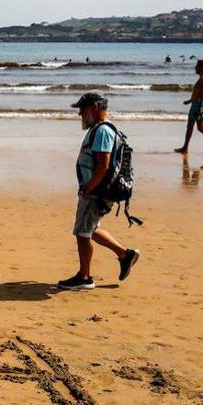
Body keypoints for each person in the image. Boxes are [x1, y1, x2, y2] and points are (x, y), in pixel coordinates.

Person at [58, 92, 140, 291]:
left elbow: (103, 165)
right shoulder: (102, 129)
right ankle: (124, 254)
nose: (79, 114)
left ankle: (84, 277)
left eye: (82, 109)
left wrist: (88, 188)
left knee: (83, 233)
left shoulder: (103, 131)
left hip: (95, 192)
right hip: (98, 190)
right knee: (91, 229)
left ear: (94, 107)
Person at [174, 59, 203, 154]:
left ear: (202, 68)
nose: (195, 68)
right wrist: (190, 101)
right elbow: (198, 93)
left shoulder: (202, 79)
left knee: (190, 127)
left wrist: (198, 107)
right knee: (200, 128)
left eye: (197, 66)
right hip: (200, 103)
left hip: (198, 105)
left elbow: (202, 94)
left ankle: (185, 147)